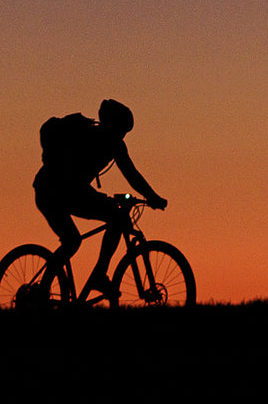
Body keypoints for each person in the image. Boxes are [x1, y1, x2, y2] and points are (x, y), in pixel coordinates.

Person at [34, 98, 168, 301]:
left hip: (70, 191)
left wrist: (153, 197)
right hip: (50, 191)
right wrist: (100, 198)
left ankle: (98, 276)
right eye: (121, 129)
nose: (122, 135)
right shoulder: (87, 137)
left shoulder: (115, 146)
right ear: (111, 125)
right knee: (73, 240)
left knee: (114, 219)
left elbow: (132, 175)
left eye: (125, 132)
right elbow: (70, 179)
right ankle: (42, 292)